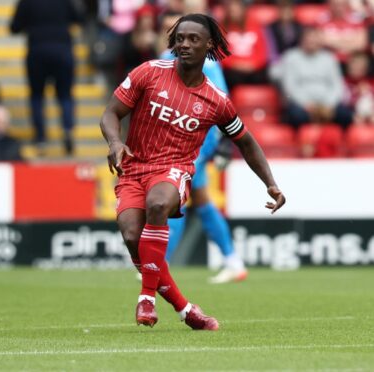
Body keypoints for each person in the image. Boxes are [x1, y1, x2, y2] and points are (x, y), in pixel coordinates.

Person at [100, 13, 286, 330]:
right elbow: (111, 113)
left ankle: (146, 297)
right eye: (180, 38)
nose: (184, 44)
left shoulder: (216, 100)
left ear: (209, 45)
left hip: (175, 169)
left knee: (158, 204)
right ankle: (186, 309)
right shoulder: (148, 72)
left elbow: (246, 142)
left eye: (193, 39)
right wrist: (116, 142)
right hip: (133, 168)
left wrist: (271, 183)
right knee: (133, 236)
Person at [158, 26, 247, 284]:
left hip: (198, 139)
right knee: (200, 200)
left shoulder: (206, 62)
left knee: (176, 198)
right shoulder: (165, 58)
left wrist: (223, 142)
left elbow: (220, 100)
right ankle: (232, 261)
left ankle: (159, 262)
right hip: (176, 138)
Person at [10, 0, 82, 155]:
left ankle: (41, 138)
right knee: (65, 95)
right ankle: (67, 130)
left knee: (37, 96)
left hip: (37, 51)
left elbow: (14, 27)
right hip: (63, 51)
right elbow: (78, 18)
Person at [277, 27, 352, 129]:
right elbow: (289, 87)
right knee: (296, 116)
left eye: (314, 39)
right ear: (302, 40)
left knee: (346, 116)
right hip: (302, 105)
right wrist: (306, 104)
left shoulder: (329, 58)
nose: (311, 42)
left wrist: (329, 105)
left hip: (327, 104)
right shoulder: (290, 57)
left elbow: (337, 85)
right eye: (308, 39)